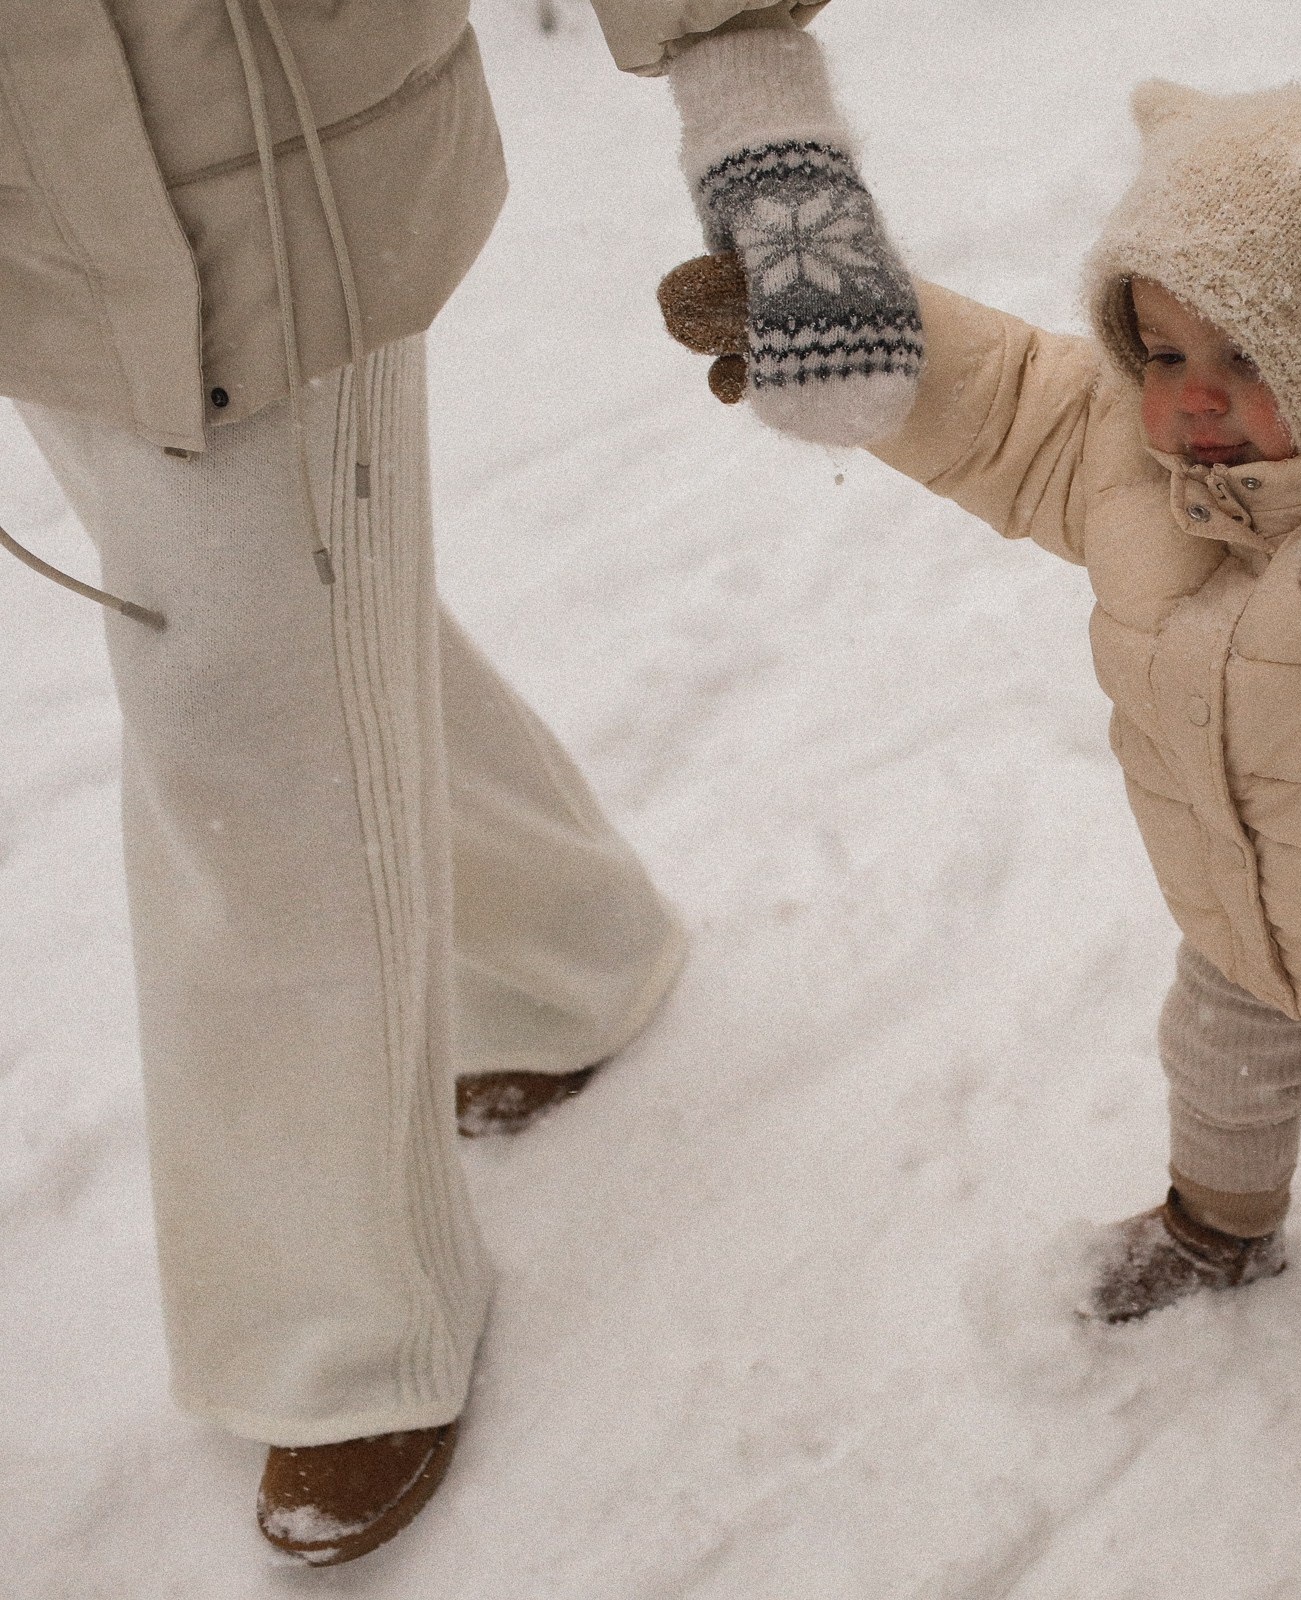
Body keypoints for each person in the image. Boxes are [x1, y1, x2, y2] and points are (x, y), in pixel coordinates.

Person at [0, 0, 914, 1568]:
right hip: (35, 203)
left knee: (244, 713)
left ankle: (341, 1328)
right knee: (289, 631)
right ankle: (565, 952)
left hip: (247, 153)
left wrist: (745, 86)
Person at [660, 77, 1301, 1321]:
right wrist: (852, 325)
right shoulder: (1130, 458)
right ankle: (1220, 1228)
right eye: (1159, 351)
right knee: (1215, 1068)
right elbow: (998, 409)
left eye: (1248, 354)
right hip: (1242, 892)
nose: (1190, 397)